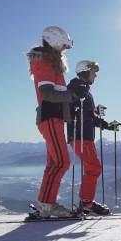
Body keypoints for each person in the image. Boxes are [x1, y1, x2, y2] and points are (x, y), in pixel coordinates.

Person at [26, 26, 80, 219]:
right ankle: (47, 205)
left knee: (54, 163)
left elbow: (57, 93)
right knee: (62, 161)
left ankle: (45, 203)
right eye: (63, 46)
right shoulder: (44, 63)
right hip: (50, 117)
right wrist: (71, 94)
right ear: (54, 41)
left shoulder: (51, 63)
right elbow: (47, 93)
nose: (64, 50)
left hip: (54, 118)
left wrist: (72, 98)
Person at [67, 60, 121, 215]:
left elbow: (90, 116)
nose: (96, 75)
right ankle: (86, 203)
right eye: (93, 72)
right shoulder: (77, 88)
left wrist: (108, 125)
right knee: (94, 168)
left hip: (84, 136)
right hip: (80, 136)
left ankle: (86, 202)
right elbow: (78, 111)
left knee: (93, 168)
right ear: (85, 72)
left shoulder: (84, 91)